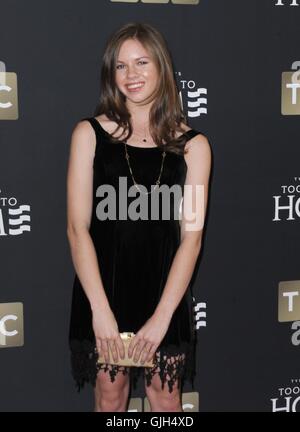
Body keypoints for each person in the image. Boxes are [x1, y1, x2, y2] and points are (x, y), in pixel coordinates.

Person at [67, 22, 211, 412]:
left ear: (161, 67)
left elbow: (191, 239)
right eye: (120, 66)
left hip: (165, 294)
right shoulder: (89, 134)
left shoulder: (193, 147)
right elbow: (78, 229)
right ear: (110, 74)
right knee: (110, 397)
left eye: (141, 62)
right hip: (103, 290)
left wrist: (162, 318)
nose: (131, 75)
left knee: (166, 400)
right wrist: (100, 312)